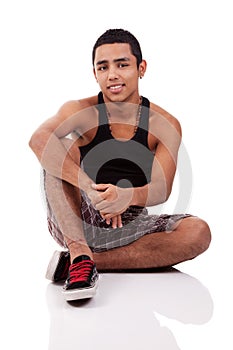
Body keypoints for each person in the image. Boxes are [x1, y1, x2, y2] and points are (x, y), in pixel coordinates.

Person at [29, 28, 211, 301]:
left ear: (141, 68)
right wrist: (92, 190)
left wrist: (126, 197)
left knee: (198, 232)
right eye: (103, 67)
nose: (112, 74)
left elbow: (161, 188)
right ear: (95, 74)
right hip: (75, 217)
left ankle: (79, 263)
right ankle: (79, 250)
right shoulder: (80, 110)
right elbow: (38, 139)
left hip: (129, 223)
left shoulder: (164, 124)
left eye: (122, 64)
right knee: (60, 144)